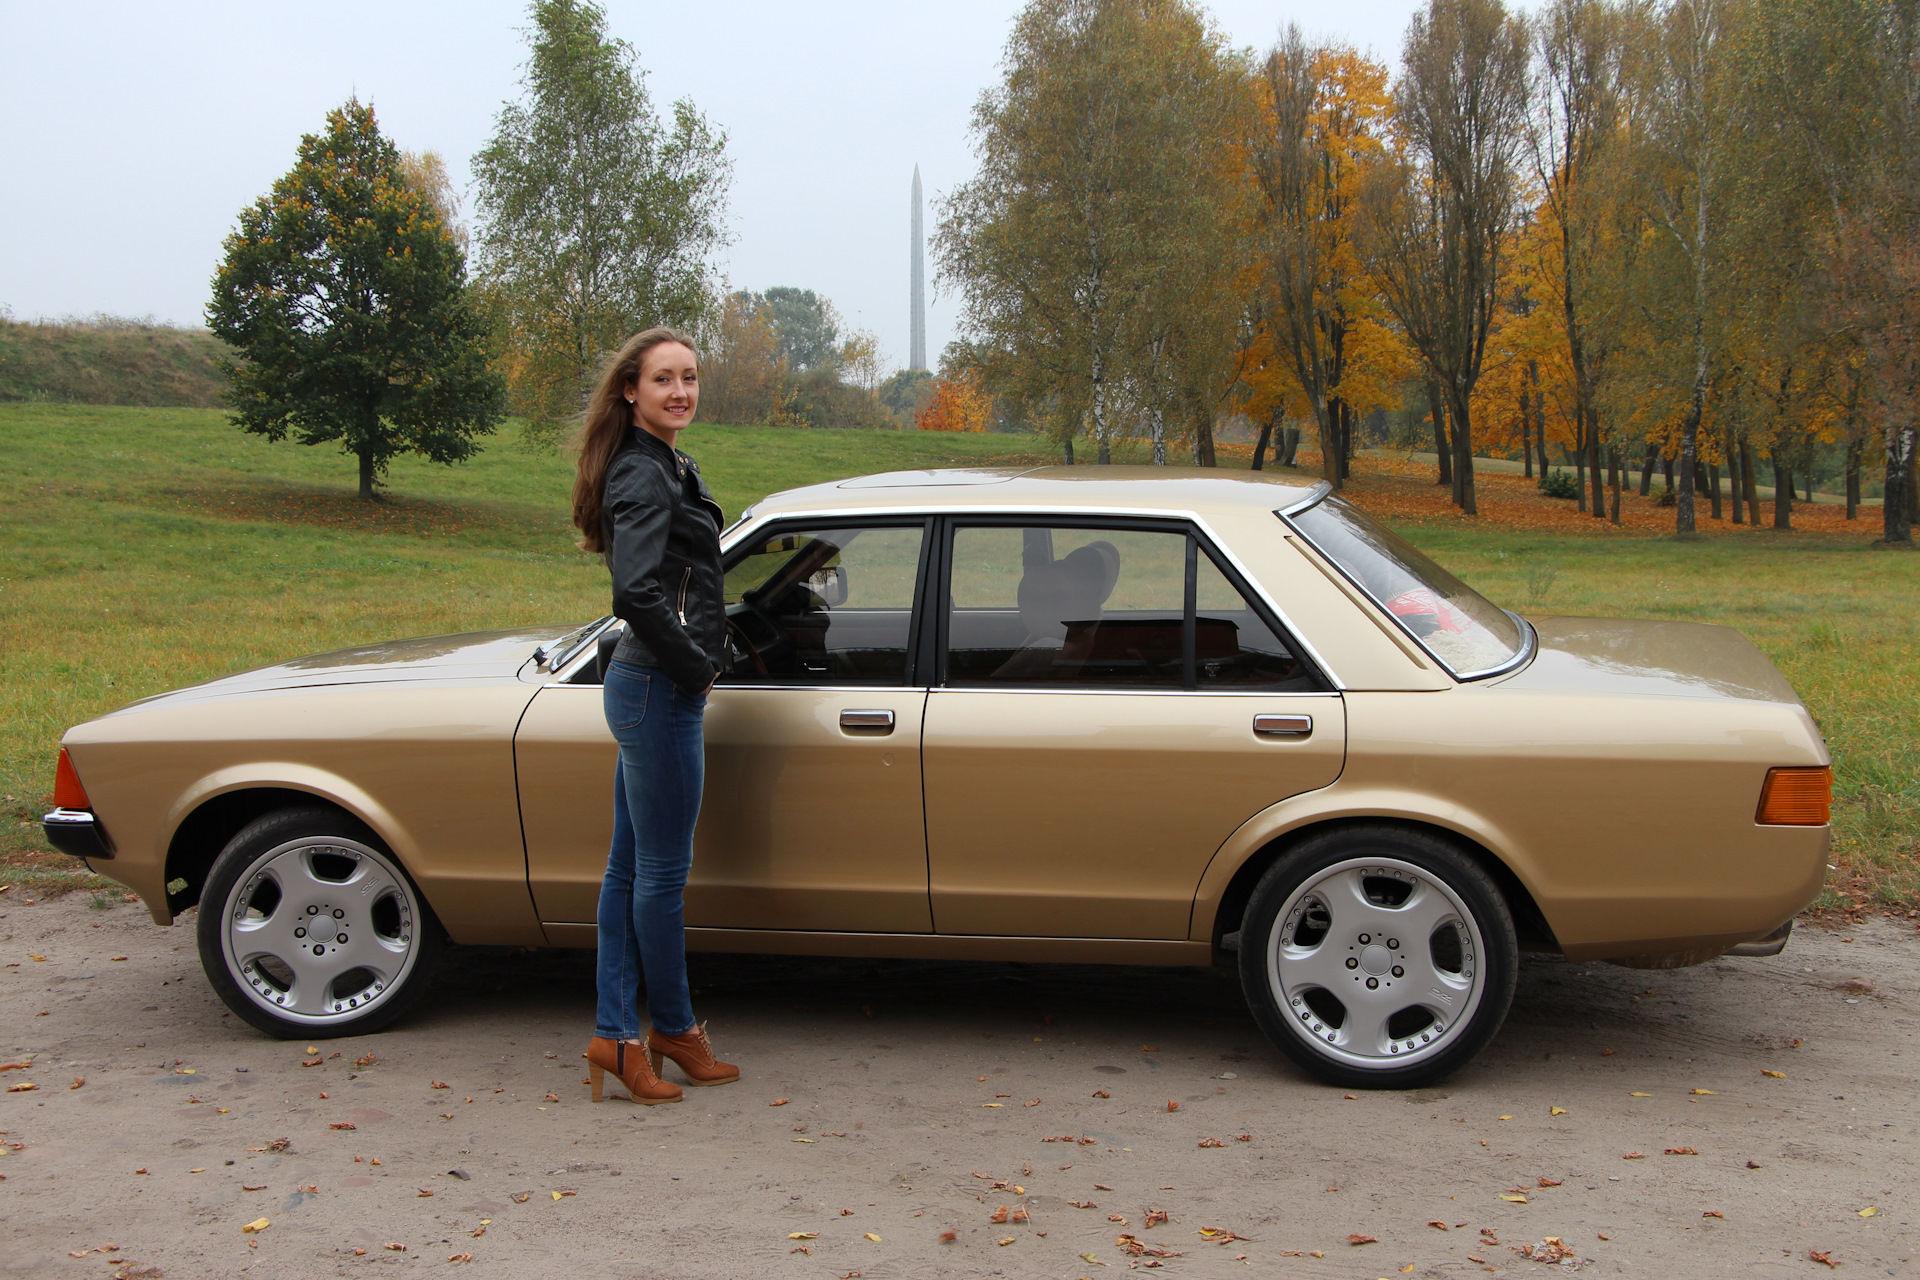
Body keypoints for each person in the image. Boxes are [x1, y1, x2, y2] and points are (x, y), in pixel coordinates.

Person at [570, 327, 738, 1104]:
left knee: (630, 870)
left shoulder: (665, 461)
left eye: (690, 378)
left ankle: (617, 1035)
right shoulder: (644, 473)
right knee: (660, 877)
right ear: (631, 390)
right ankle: (672, 1029)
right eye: (664, 379)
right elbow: (635, 591)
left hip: (645, 688)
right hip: (658, 690)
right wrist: (698, 668)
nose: (681, 392)